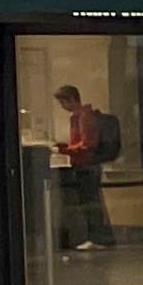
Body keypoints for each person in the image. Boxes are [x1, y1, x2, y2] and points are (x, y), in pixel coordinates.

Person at [48, 84, 111, 250]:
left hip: (87, 164)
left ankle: (97, 238)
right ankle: (96, 237)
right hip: (85, 163)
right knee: (90, 201)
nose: (62, 107)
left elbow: (87, 144)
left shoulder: (84, 117)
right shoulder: (80, 116)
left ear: (71, 100)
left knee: (90, 202)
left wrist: (64, 149)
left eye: (63, 102)